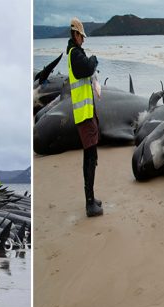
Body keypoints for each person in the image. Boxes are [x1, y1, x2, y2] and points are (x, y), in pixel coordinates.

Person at [68, 17, 103, 218]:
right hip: (83, 115)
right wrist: (95, 59)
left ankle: (91, 197)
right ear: (75, 34)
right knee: (90, 157)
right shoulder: (75, 54)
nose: (84, 40)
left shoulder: (76, 53)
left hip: (87, 113)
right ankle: (89, 203)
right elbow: (87, 68)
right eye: (82, 36)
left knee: (92, 156)